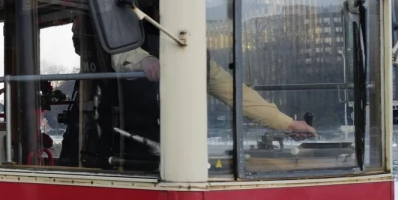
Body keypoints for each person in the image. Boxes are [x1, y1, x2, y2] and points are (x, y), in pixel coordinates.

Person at [112, 48, 317, 137]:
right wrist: (142, 60)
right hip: (124, 133)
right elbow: (116, 52)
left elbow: (234, 93)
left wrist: (288, 123)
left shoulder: (197, 57)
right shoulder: (129, 21)